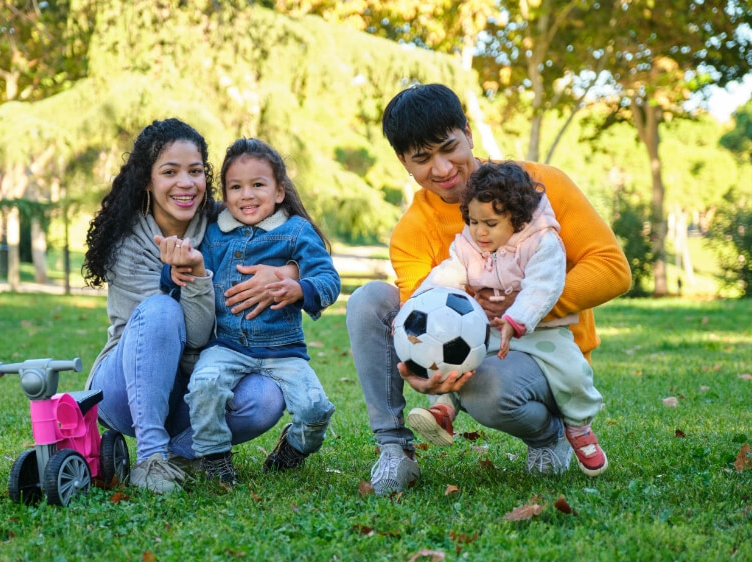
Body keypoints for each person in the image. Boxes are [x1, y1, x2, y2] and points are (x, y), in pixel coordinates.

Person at [348, 83, 630, 495]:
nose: (442, 169)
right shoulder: (412, 230)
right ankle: (394, 449)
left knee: (486, 390)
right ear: (403, 162)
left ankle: (549, 434)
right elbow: (420, 308)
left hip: (550, 351)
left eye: (449, 147)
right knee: (369, 300)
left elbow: (612, 269)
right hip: (480, 349)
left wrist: (524, 308)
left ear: (468, 132)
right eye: (423, 158)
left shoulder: (539, 185)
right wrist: (426, 365)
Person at [83, 118, 295, 494]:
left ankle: (179, 453)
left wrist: (287, 271)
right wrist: (197, 277)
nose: (186, 183)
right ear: (148, 180)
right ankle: (151, 458)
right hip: (125, 390)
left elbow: (298, 240)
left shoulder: (225, 223)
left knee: (266, 399)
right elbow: (191, 335)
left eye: (195, 171)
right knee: (162, 310)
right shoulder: (129, 243)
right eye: (170, 171)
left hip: (198, 388)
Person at [409, 161, 608, 476]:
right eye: (473, 221)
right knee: (456, 355)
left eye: (490, 222)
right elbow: (447, 275)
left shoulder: (542, 242)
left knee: (572, 373)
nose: (480, 231)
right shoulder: (470, 244)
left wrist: (516, 319)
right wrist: (414, 307)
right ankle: (444, 410)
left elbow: (543, 286)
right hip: (491, 329)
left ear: (517, 219)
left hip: (541, 331)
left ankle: (578, 424)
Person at [174, 138, 341, 485]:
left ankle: (294, 448)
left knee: (315, 408)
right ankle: (215, 456)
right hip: (227, 345)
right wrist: (173, 270)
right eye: (236, 187)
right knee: (204, 385)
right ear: (224, 192)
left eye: (258, 185)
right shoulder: (216, 231)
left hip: (284, 350)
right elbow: (192, 264)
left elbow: (328, 279)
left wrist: (300, 288)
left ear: (279, 192)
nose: (246, 195)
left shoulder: (294, 231)